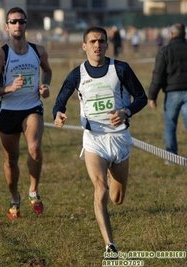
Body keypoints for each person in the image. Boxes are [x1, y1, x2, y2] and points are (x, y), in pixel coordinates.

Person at [52, 26, 147, 255]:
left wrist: (126, 112)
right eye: (93, 41)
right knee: (100, 189)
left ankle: (109, 173)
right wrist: (58, 113)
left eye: (101, 41)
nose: (97, 45)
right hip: (93, 139)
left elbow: (141, 97)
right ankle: (110, 245)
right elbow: (60, 101)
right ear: (84, 46)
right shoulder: (77, 74)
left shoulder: (120, 69)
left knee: (117, 198)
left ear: (106, 45)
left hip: (119, 138)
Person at [0, 7, 52, 220]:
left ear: (26, 25)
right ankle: (14, 197)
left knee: (34, 147)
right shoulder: (1, 55)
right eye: (13, 22)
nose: (17, 25)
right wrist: (9, 88)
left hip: (32, 107)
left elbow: (47, 71)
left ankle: (34, 190)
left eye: (21, 22)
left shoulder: (38, 51)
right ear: (6, 26)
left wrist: (45, 85)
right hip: (8, 111)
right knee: (11, 161)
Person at [148, 23, 187, 164]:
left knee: (170, 126)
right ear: (184, 34)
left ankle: (171, 158)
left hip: (172, 94)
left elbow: (158, 75)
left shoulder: (165, 51)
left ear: (171, 35)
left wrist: (152, 96)